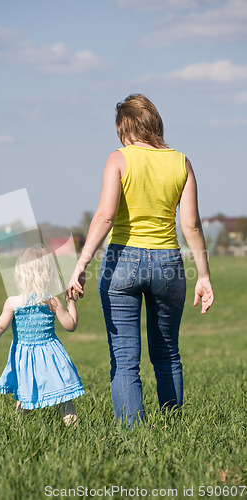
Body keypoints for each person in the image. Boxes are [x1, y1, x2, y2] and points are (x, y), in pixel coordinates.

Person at [68, 94, 214, 427]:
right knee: (167, 354)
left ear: (126, 126)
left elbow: (105, 217)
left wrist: (82, 263)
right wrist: (203, 276)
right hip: (169, 264)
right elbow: (190, 224)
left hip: (122, 261)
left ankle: (133, 436)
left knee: (124, 359)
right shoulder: (181, 161)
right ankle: (174, 429)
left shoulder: (118, 159)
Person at [0, 245, 85, 426]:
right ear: (48, 273)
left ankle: (19, 433)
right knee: (64, 399)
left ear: (20, 273)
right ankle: (77, 434)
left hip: (24, 357)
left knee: (23, 398)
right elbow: (70, 325)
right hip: (51, 356)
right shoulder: (51, 300)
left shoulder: (13, 302)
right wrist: (71, 303)